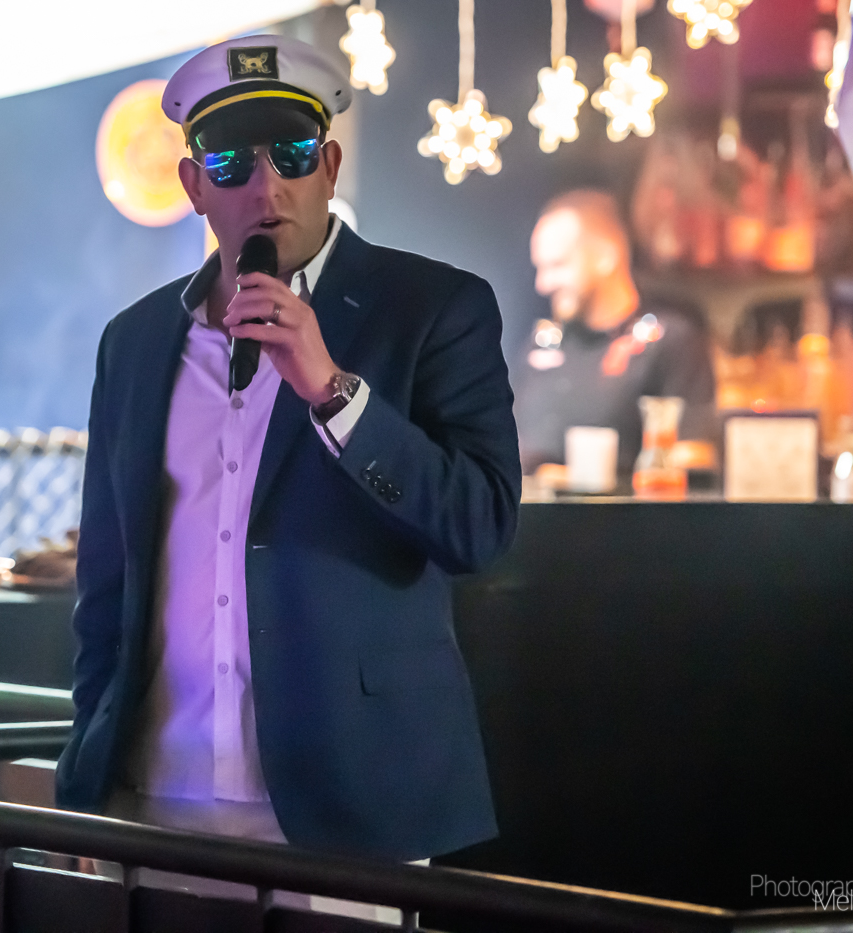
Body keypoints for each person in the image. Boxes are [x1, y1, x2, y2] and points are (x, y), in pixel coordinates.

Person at [55, 35, 522, 867]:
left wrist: (335, 393)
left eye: (294, 155)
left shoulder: (431, 309)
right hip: (154, 791)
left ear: (330, 166)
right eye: (231, 163)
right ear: (194, 184)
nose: (266, 187)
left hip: (352, 801)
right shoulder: (134, 342)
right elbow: (107, 581)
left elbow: (479, 528)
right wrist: (89, 776)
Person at [514, 189, 716, 475]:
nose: (542, 284)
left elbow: (694, 457)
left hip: (626, 506)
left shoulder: (669, 341)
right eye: (540, 268)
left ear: (606, 257)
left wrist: (584, 483)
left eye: (558, 265)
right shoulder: (541, 344)